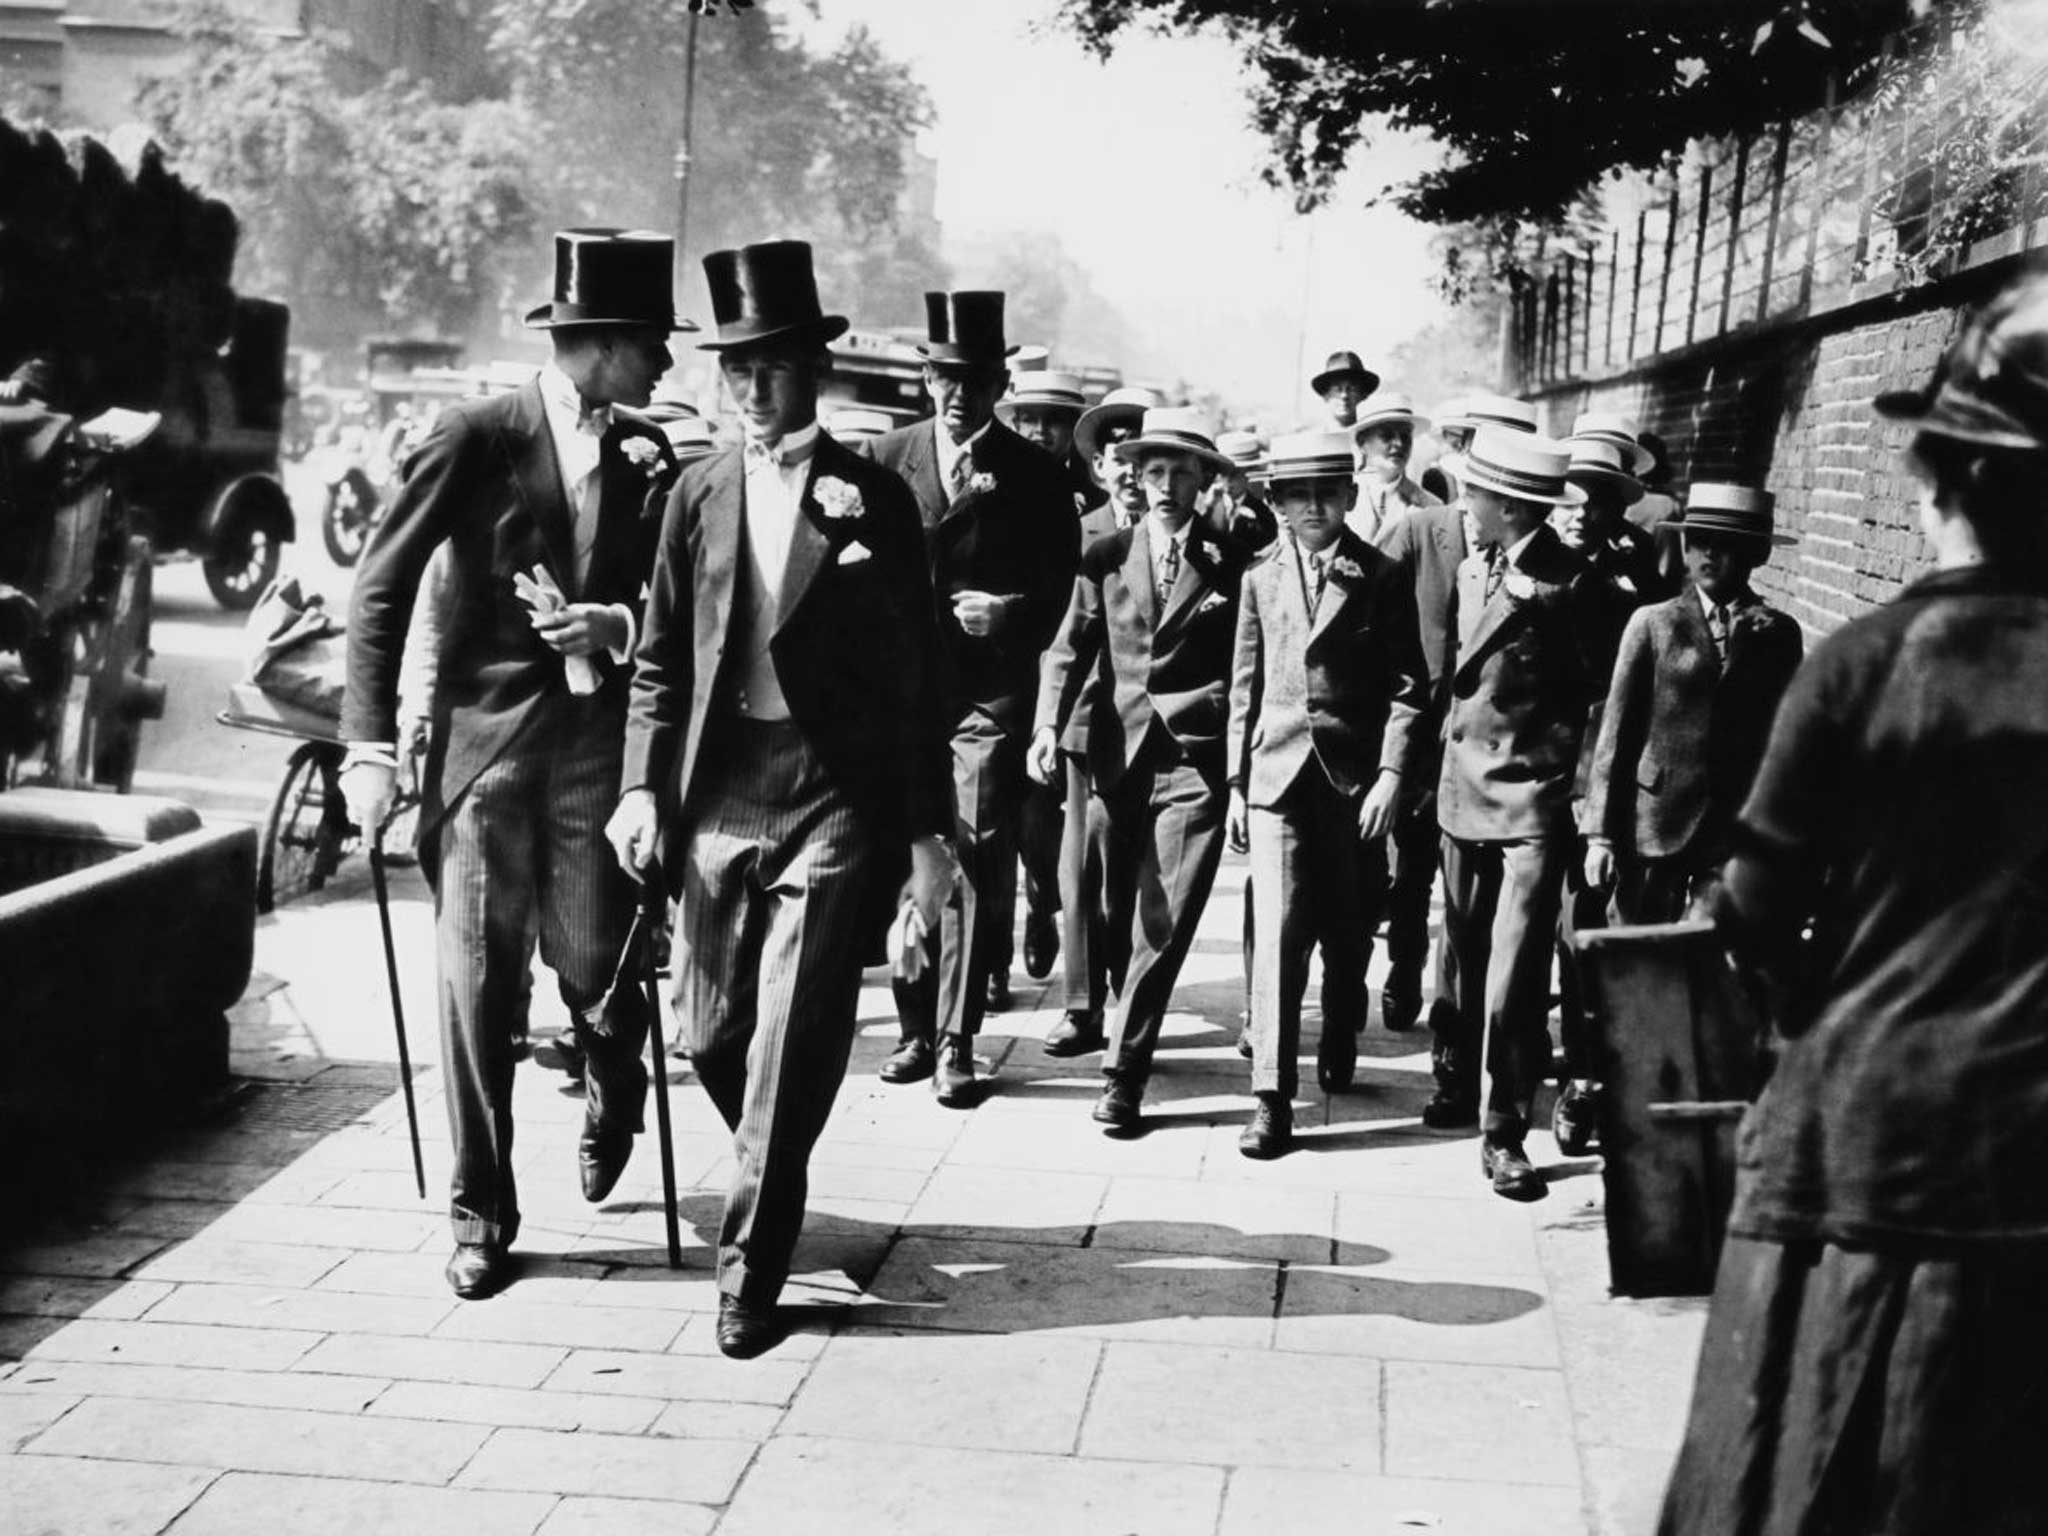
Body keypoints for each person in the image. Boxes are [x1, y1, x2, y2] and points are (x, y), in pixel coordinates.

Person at [1660, 271, 2048, 1536]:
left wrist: (1799, 1009)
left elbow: (1753, 912)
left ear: (1945, 476)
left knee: (1801, 1469)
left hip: (1862, 1153)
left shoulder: (1861, 664)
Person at [606, 240, 954, 1359]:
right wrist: (637, 791)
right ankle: (777, 1156)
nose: (751, 393)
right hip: (716, 791)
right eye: (733, 370)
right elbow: (659, 658)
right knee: (709, 1033)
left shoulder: (875, 499)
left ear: (814, 370)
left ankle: (750, 1271)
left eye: (770, 369)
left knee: (793, 1032)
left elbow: (917, 681)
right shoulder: (693, 492)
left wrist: (926, 836)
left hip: (831, 795)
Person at [338, 229, 686, 1301]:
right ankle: (481, 1211)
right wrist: (366, 746)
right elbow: (380, 587)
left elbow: (671, 609)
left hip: (593, 758)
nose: (665, 365)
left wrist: (615, 624)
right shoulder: (475, 436)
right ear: (598, 344)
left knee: (595, 961)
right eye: (650, 346)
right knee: (479, 987)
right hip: (482, 758)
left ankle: (612, 1068)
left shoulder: (649, 455)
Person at [862, 292, 1078, 1103]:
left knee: (976, 846)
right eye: (945, 377)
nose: (959, 394)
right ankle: (914, 1026)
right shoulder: (884, 460)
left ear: (999, 387)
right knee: (901, 850)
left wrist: (1008, 613)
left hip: (986, 697)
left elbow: (1062, 591)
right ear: (925, 378)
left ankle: (957, 1039)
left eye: (976, 380)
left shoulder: (1034, 474)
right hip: (898, 697)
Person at [1030, 407, 1250, 1133]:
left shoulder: (1233, 557)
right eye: (1153, 471)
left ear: (1203, 482)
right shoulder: (1106, 554)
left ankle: (1125, 1072)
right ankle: (1110, 1007)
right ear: (1136, 476)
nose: (1165, 486)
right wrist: (1045, 727)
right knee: (1107, 904)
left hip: (1194, 759)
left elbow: (1251, 656)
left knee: (1165, 914)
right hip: (1113, 754)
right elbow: (1069, 646)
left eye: (1181, 472)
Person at [1226, 429, 1427, 1156]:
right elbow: (1244, 690)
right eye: (1297, 495)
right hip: (1275, 775)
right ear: (1277, 504)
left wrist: (1393, 777)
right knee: (1278, 928)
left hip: (1353, 781)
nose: (1314, 506)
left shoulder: (1379, 574)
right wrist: (1234, 783)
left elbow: (1409, 687)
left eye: (1327, 493)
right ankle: (1272, 1096)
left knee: (1350, 924)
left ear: (1349, 496)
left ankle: (1342, 1020)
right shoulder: (1258, 577)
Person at [1432, 427, 1591, 1201]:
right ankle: (1458, 1079)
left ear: (1510, 504)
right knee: (1462, 956)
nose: (1467, 505)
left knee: (1514, 974)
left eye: (1477, 495)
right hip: (1461, 791)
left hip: (1532, 796)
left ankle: (1504, 1133)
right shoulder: (1470, 569)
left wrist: (1576, 794)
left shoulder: (1572, 582)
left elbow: (1595, 694)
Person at [1582, 482, 1803, 925]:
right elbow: (1615, 734)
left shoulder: (1777, 633)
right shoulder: (1653, 623)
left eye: (1728, 546)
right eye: (1700, 541)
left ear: (1757, 554)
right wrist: (1600, 835)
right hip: (1654, 821)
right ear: (1684, 546)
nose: (1710, 555)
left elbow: (1783, 737)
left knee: (1712, 958)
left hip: (1730, 825)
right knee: (1639, 950)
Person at [1547, 432, 1672, 1154]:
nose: (1580, 511)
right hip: (1536, 771)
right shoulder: (1530, 562)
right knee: (1534, 928)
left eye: (1597, 499)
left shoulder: (1641, 575)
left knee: (1589, 925)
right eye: (1569, 493)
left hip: (1609, 777)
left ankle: (1585, 1078)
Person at [1040, 387, 1158, 1058]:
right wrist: (1046, 723)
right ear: (1100, 469)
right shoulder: (1080, 532)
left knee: (1134, 876)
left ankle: (1129, 990)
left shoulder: (1182, 534)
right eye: (1114, 459)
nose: (1127, 473)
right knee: (1080, 869)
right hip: (1091, 723)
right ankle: (1082, 1006)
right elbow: (1060, 639)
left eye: (1137, 457)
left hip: (1159, 728)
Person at [992, 368, 1101, 993]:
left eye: (1055, 422)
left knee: (1039, 820)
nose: (1040, 433)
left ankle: (1041, 898)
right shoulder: (991, 480)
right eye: (1028, 419)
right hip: (999, 672)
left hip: (1063, 678)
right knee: (989, 819)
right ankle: (991, 965)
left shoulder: (1091, 499)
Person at [1005, 368, 1105, 514]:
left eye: (1054, 420)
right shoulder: (991, 487)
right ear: (1016, 425)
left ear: (1074, 426)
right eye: (1030, 420)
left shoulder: (1097, 503)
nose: (1040, 429)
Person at [1348, 392, 1441, 542]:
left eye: (1405, 436)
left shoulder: (1431, 507)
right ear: (1362, 442)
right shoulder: (1340, 497)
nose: (1399, 443)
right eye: (1387, 435)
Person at [1310, 349, 1379, 431]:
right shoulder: (1313, 439)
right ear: (1325, 395)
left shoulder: (1371, 438)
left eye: (1351, 389)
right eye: (1337, 389)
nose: (1344, 395)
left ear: (1362, 395)